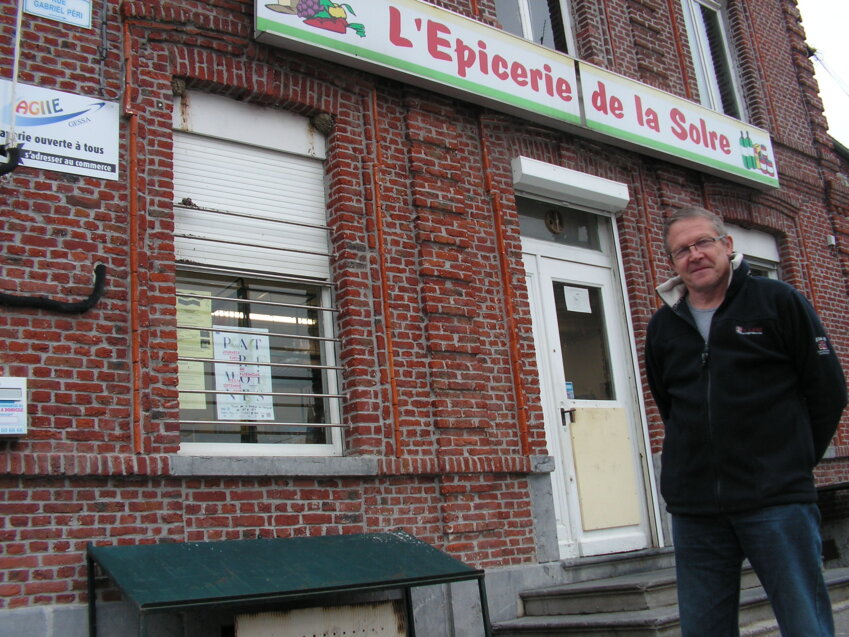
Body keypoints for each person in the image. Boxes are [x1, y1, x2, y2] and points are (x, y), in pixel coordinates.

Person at [644, 206, 848, 636]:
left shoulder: (778, 301)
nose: (695, 255)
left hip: (776, 501)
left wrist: (791, 462)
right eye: (682, 250)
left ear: (727, 245)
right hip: (697, 510)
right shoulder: (663, 326)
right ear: (673, 261)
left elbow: (828, 391)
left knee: (805, 624)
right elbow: (671, 406)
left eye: (703, 242)